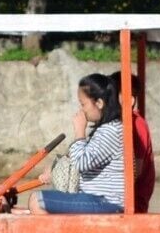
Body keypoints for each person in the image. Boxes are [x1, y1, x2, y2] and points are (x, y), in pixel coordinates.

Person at [38, 72, 125, 215]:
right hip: (97, 199)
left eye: (83, 104)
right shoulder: (106, 129)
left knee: (37, 200)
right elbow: (78, 156)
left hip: (106, 201)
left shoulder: (111, 131)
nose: (81, 110)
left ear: (99, 103)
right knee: (43, 199)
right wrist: (54, 170)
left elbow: (81, 164)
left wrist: (79, 131)